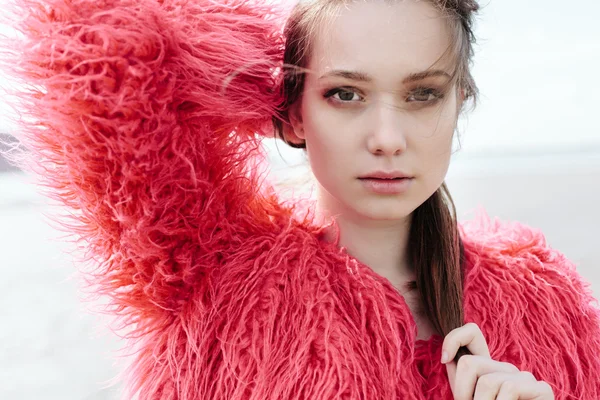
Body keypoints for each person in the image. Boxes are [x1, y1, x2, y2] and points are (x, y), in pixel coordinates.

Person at [0, 0, 598, 398]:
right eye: (345, 94)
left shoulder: (549, 309)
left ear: (459, 103)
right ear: (291, 112)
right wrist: (253, 66)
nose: (387, 139)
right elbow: (92, 44)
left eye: (422, 94)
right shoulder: (210, 278)